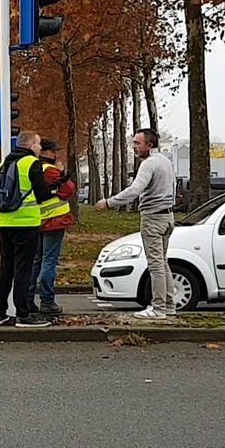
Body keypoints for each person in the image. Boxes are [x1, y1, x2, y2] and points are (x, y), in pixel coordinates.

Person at [96, 128, 176, 319]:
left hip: (153, 218)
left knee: (155, 265)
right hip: (168, 217)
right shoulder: (165, 161)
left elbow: (135, 190)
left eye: (137, 143)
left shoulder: (148, 164)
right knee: (163, 263)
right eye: (133, 143)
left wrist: (109, 202)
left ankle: (158, 309)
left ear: (150, 145)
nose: (134, 147)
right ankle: (169, 305)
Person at [0, 131, 53, 328]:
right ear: (30, 145)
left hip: (4, 221)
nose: (40, 148)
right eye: (38, 143)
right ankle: (23, 314)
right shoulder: (31, 163)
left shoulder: (4, 163)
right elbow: (42, 194)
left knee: (6, 268)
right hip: (26, 223)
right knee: (24, 269)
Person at [31, 139, 76, 315]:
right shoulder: (50, 171)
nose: (55, 155)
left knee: (36, 262)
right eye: (53, 151)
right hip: (54, 221)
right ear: (46, 153)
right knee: (49, 262)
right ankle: (47, 302)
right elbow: (67, 191)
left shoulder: (33, 168)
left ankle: (28, 299)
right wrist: (61, 171)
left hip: (37, 220)